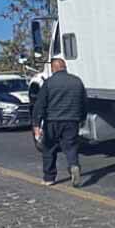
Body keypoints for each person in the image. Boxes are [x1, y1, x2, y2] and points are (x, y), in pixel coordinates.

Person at [31, 58, 88, 187]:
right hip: (72, 120)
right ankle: (73, 165)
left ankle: (49, 178)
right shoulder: (77, 81)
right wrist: (82, 118)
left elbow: (40, 105)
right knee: (71, 146)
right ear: (65, 67)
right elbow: (84, 102)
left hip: (52, 121)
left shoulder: (49, 83)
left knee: (49, 148)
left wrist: (36, 124)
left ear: (53, 68)